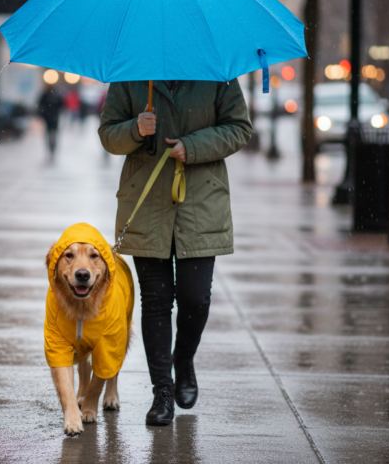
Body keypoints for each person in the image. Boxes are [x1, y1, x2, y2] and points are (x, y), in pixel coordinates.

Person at [98, 80, 252, 426]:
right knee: (156, 300)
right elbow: (108, 135)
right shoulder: (132, 72)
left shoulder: (216, 73)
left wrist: (193, 146)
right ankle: (162, 392)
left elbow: (240, 129)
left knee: (195, 298)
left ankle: (183, 359)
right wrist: (135, 129)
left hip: (201, 204)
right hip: (146, 202)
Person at [38, 83, 63, 159]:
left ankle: (52, 148)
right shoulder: (48, 95)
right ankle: (51, 148)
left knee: (52, 135)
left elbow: (61, 105)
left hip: (52, 118)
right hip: (50, 118)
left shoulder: (52, 95)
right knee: (51, 134)